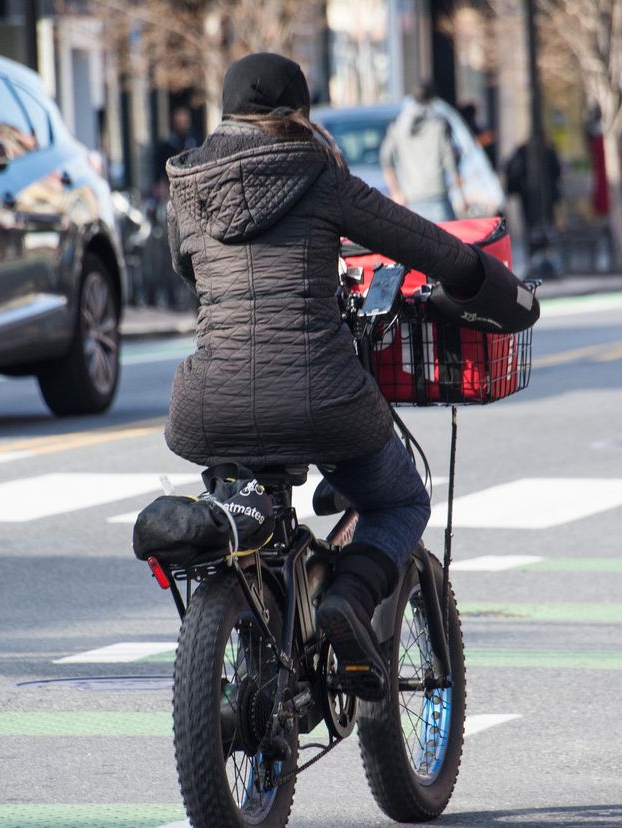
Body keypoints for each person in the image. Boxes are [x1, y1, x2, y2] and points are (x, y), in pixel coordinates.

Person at [164, 52, 539, 700]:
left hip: (205, 406)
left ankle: (263, 618)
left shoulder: (188, 186)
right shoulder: (317, 172)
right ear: (299, 115)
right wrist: (497, 290)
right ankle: (347, 597)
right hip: (318, 396)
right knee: (400, 499)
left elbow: (187, 270)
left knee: (245, 487)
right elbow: (429, 246)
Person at [380, 81, 466, 222]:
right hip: (438, 197)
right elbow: (451, 161)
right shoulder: (439, 125)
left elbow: (385, 159)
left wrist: (396, 191)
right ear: (433, 99)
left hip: (410, 199)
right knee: (447, 241)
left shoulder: (398, 125)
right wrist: (462, 195)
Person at [505, 136, 562, 249]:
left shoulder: (523, 151)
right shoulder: (546, 150)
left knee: (531, 224)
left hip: (528, 194)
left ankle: (536, 248)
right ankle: (542, 248)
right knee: (543, 224)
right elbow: (557, 171)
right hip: (539, 194)